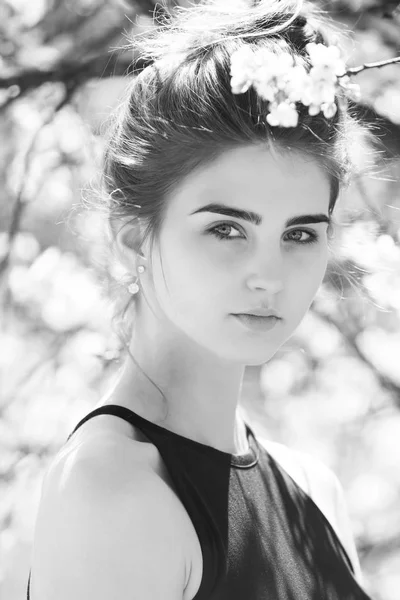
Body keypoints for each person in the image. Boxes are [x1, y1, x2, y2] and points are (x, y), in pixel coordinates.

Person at [26, 0, 377, 598]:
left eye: (299, 234)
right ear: (133, 235)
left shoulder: (313, 487)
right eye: (227, 229)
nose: (269, 274)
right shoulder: (113, 491)